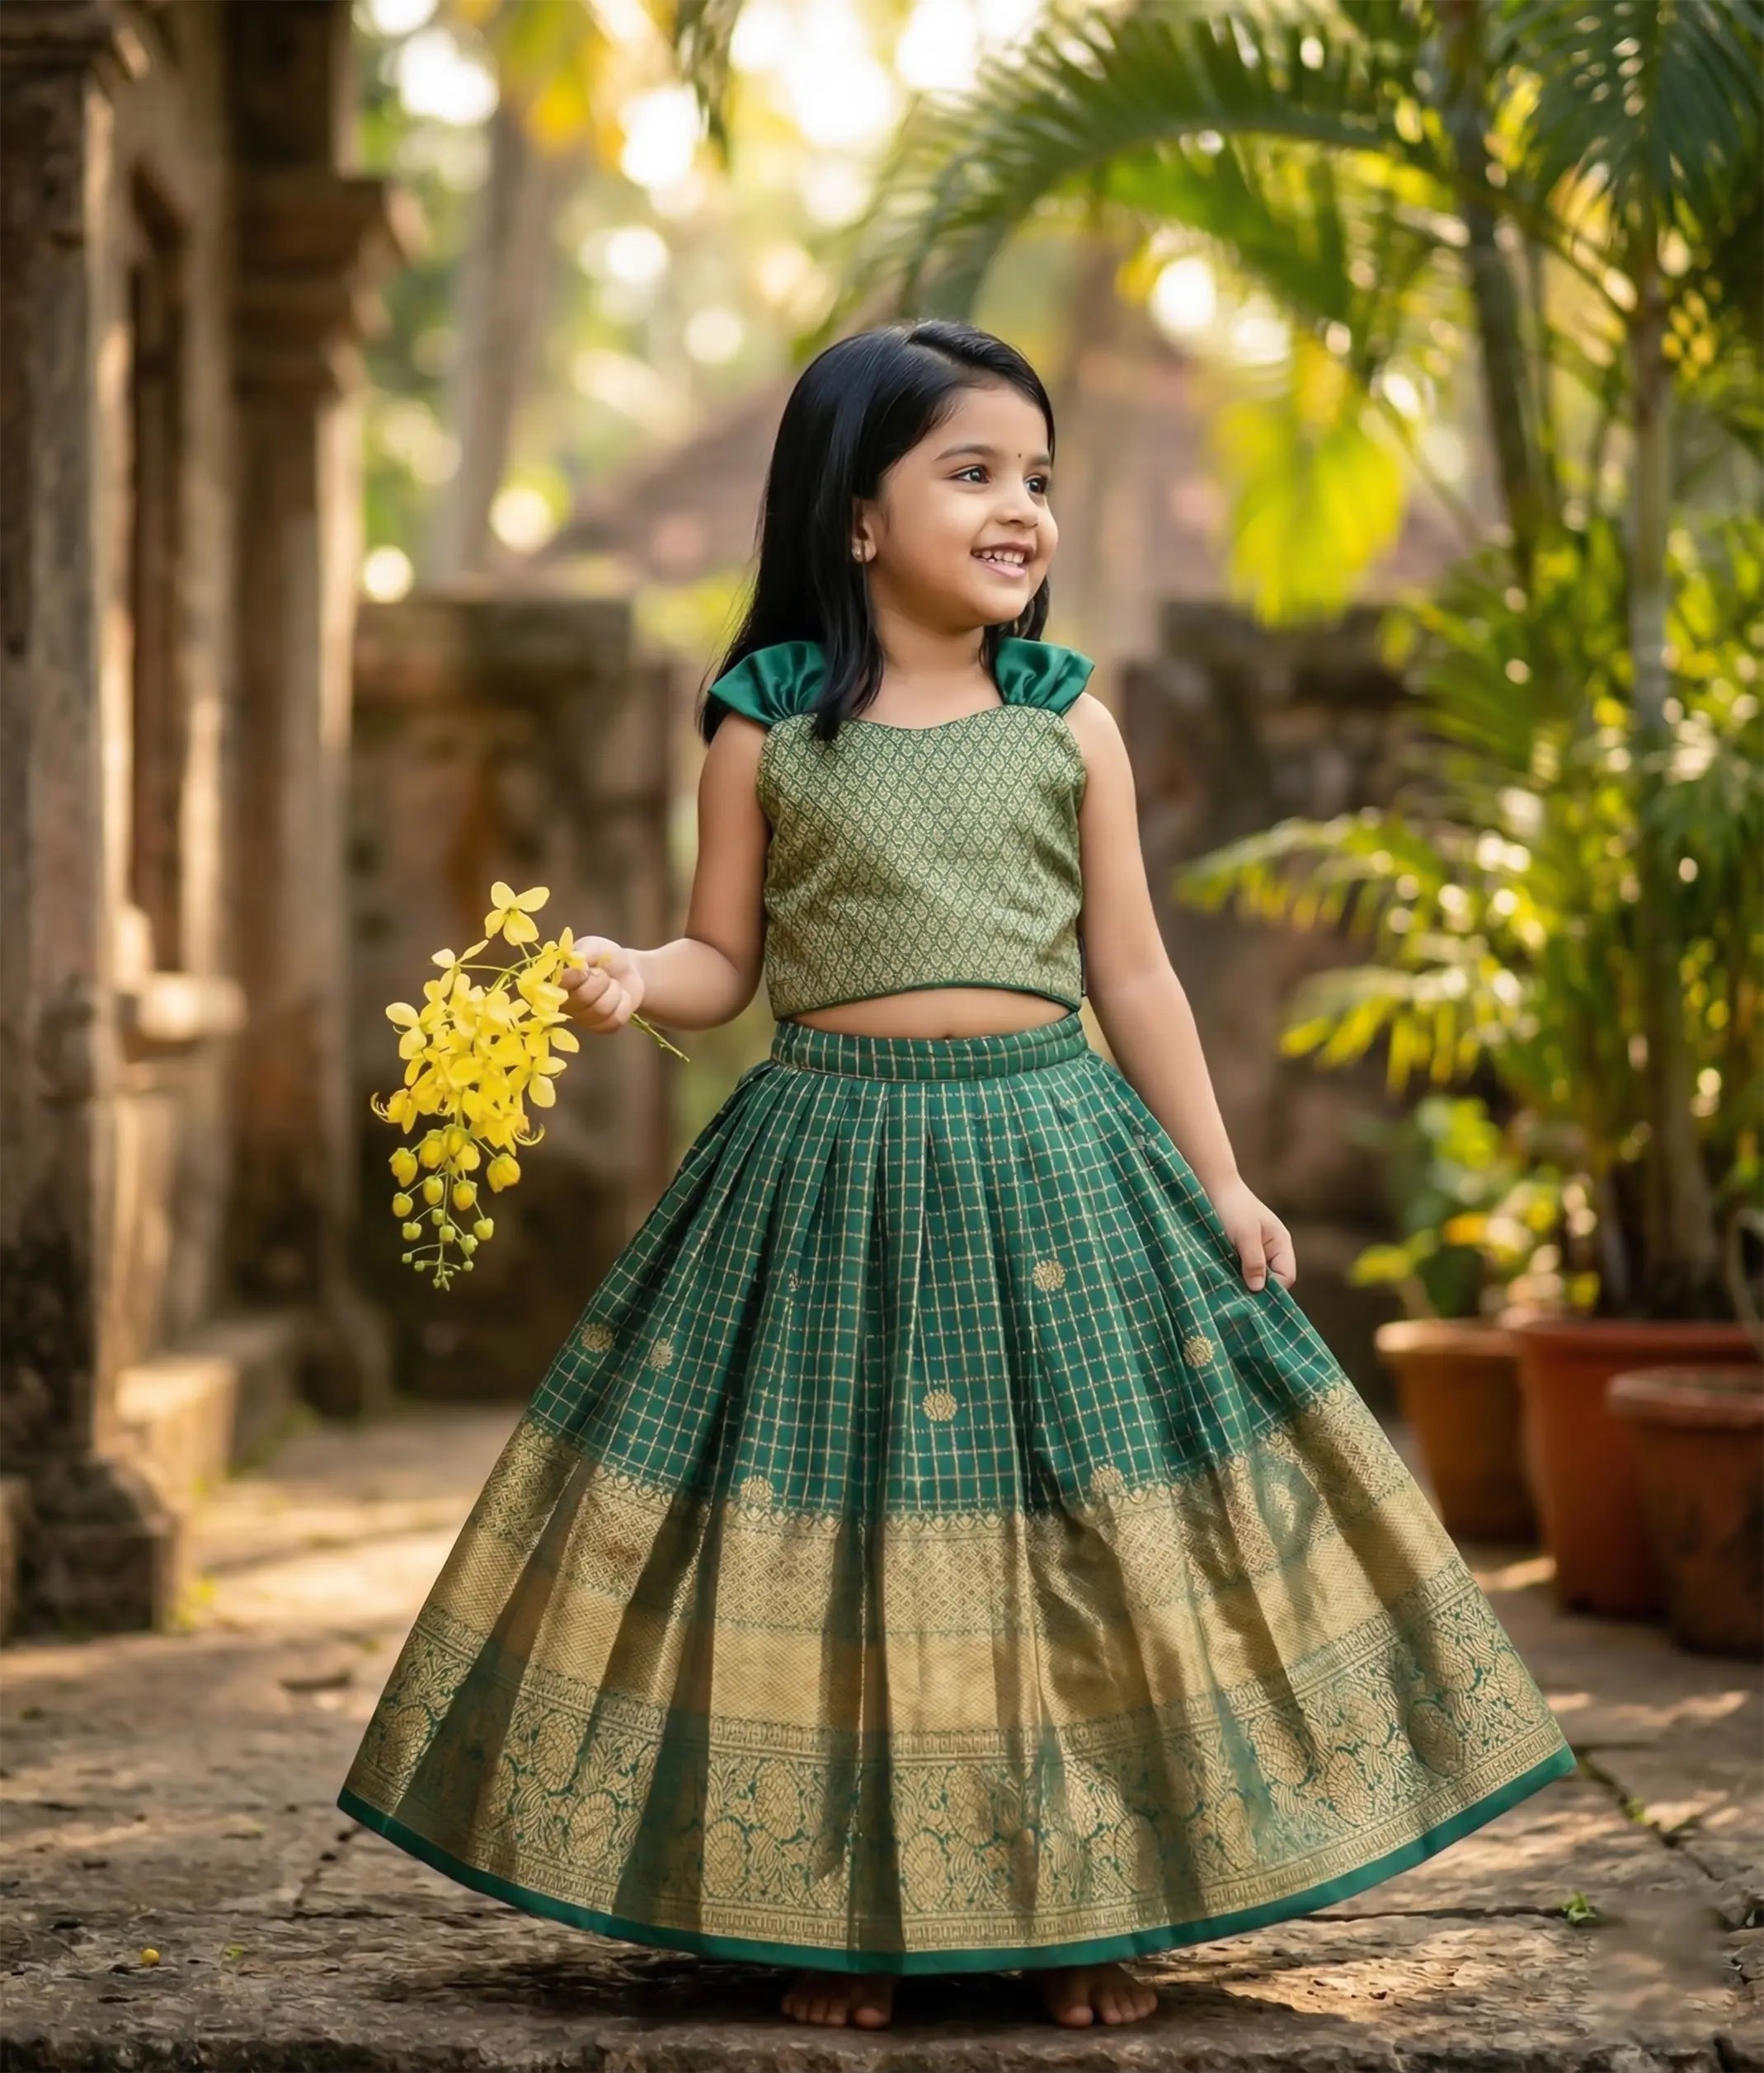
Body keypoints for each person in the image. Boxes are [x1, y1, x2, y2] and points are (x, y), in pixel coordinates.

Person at [336, 319, 1576, 2033]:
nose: (1019, 510)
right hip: (828, 1165)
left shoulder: (1069, 728)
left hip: (1055, 1157)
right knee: (836, 1544)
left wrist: (1218, 1177)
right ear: (857, 518)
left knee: (1081, 1538)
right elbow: (724, 961)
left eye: (1036, 478)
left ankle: (1091, 1909)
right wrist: (623, 973)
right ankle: (835, 1919)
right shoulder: (767, 730)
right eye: (971, 472)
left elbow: (1132, 972)